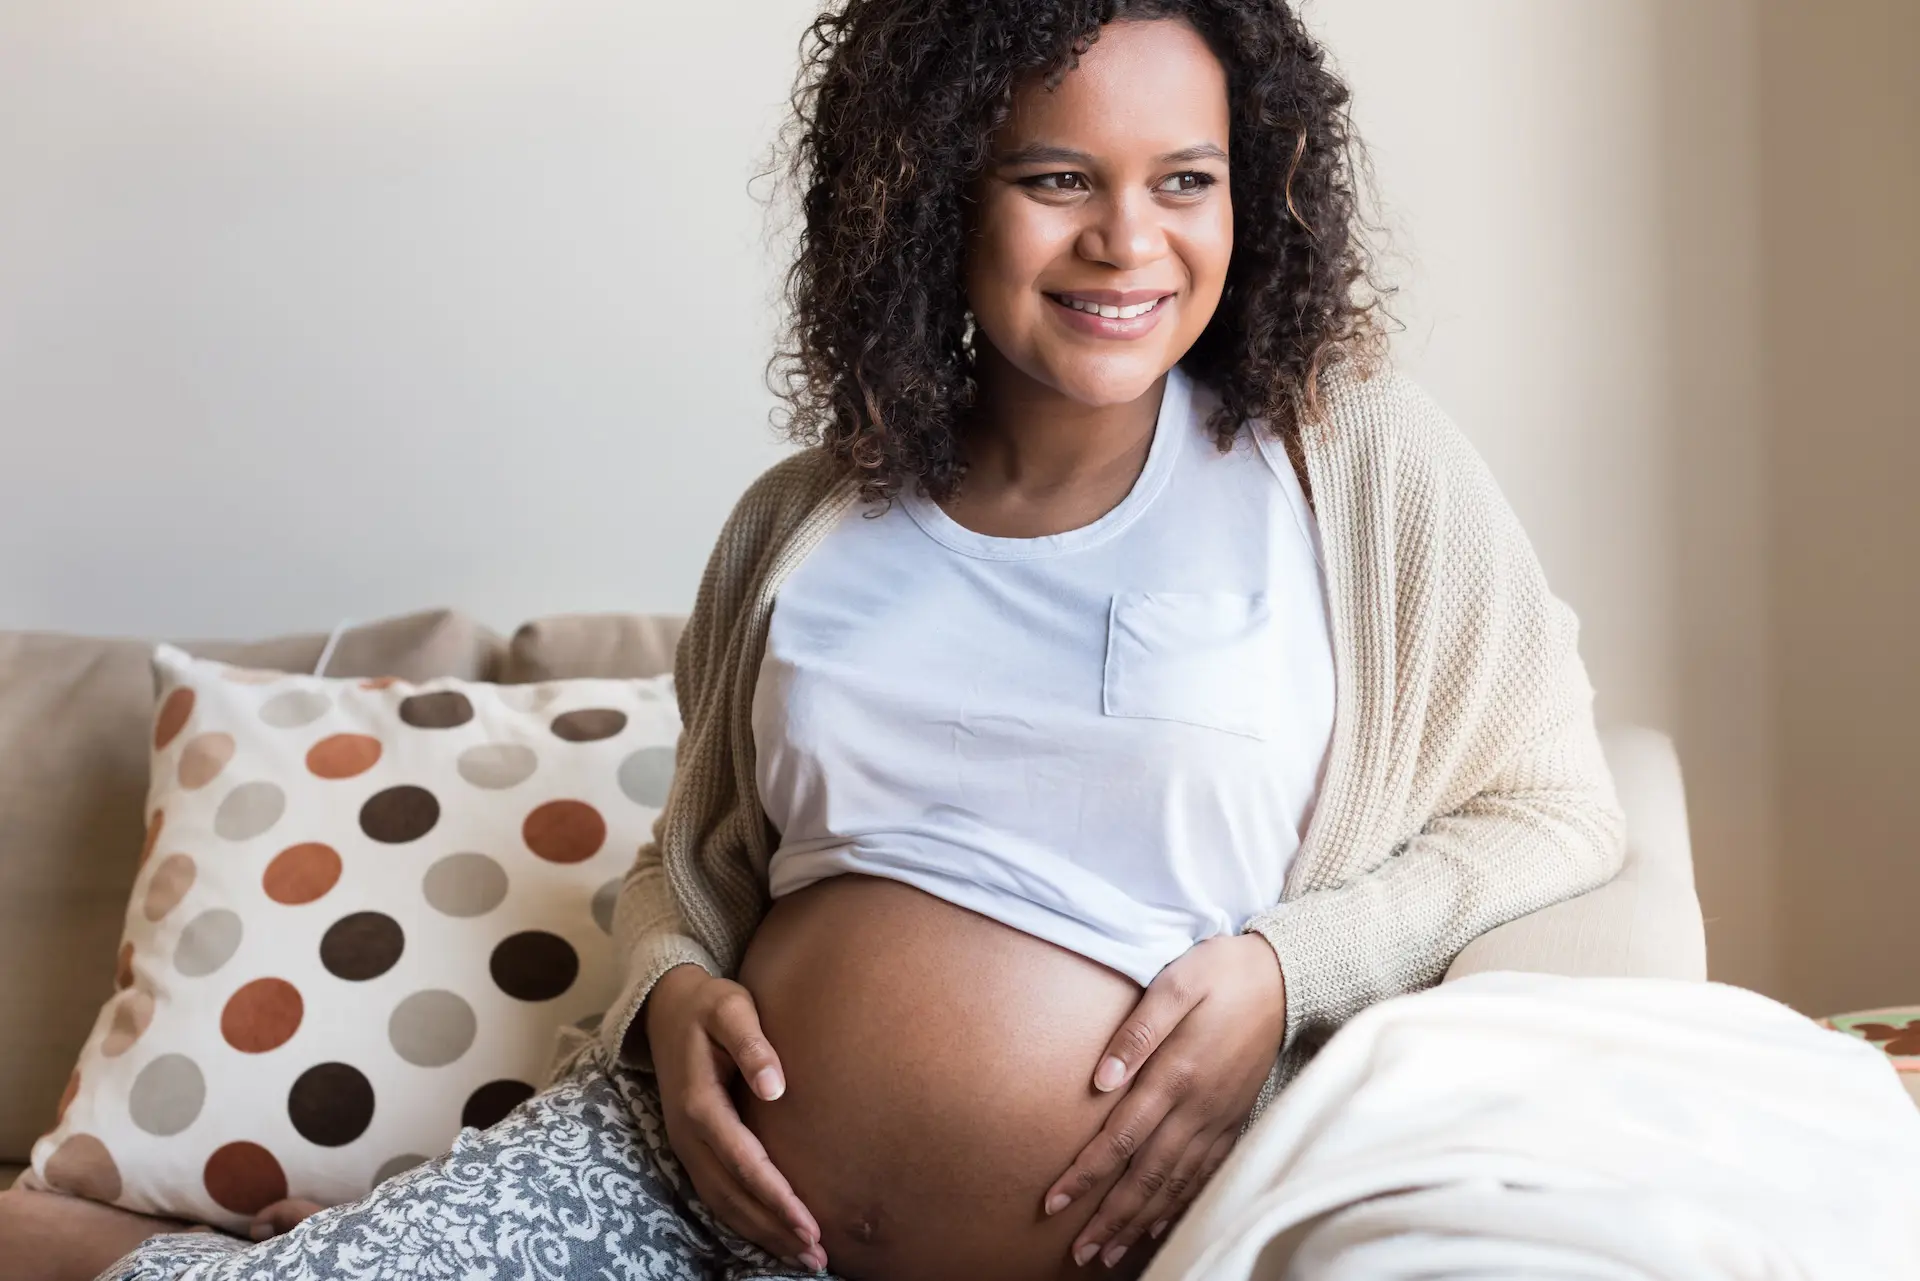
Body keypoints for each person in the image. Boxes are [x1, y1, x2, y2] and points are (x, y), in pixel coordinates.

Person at [104, 1, 1625, 1279]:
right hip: (671, 1189)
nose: (1127, 242)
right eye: (1056, 178)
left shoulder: (1344, 466)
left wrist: (1291, 973)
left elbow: (1556, 804)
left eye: (1185, 181)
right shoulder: (806, 518)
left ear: (1255, 192)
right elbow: (684, 872)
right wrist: (671, 992)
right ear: (938, 190)